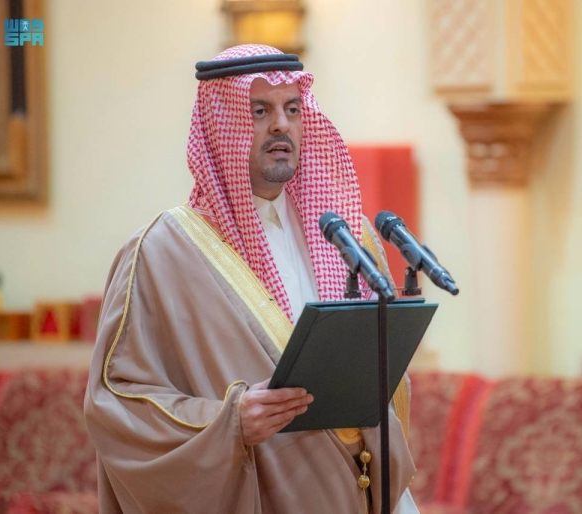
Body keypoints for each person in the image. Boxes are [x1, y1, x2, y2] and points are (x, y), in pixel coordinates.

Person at [84, 44, 417, 513]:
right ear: (221, 128)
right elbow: (117, 404)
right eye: (259, 111)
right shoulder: (162, 253)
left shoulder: (347, 237)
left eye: (292, 109)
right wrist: (229, 421)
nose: (281, 124)